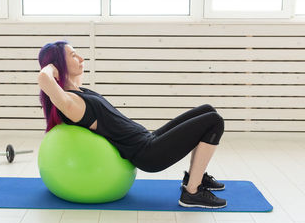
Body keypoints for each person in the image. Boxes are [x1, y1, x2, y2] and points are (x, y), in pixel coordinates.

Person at [37, 40, 227, 209]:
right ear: (59, 65)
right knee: (214, 122)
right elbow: (44, 80)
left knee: (207, 110)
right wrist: (50, 69)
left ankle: (194, 177)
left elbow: (68, 78)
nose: (80, 57)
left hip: (148, 138)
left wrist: (68, 66)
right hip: (147, 153)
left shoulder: (78, 91)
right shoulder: (72, 104)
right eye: (72, 55)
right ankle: (192, 193)